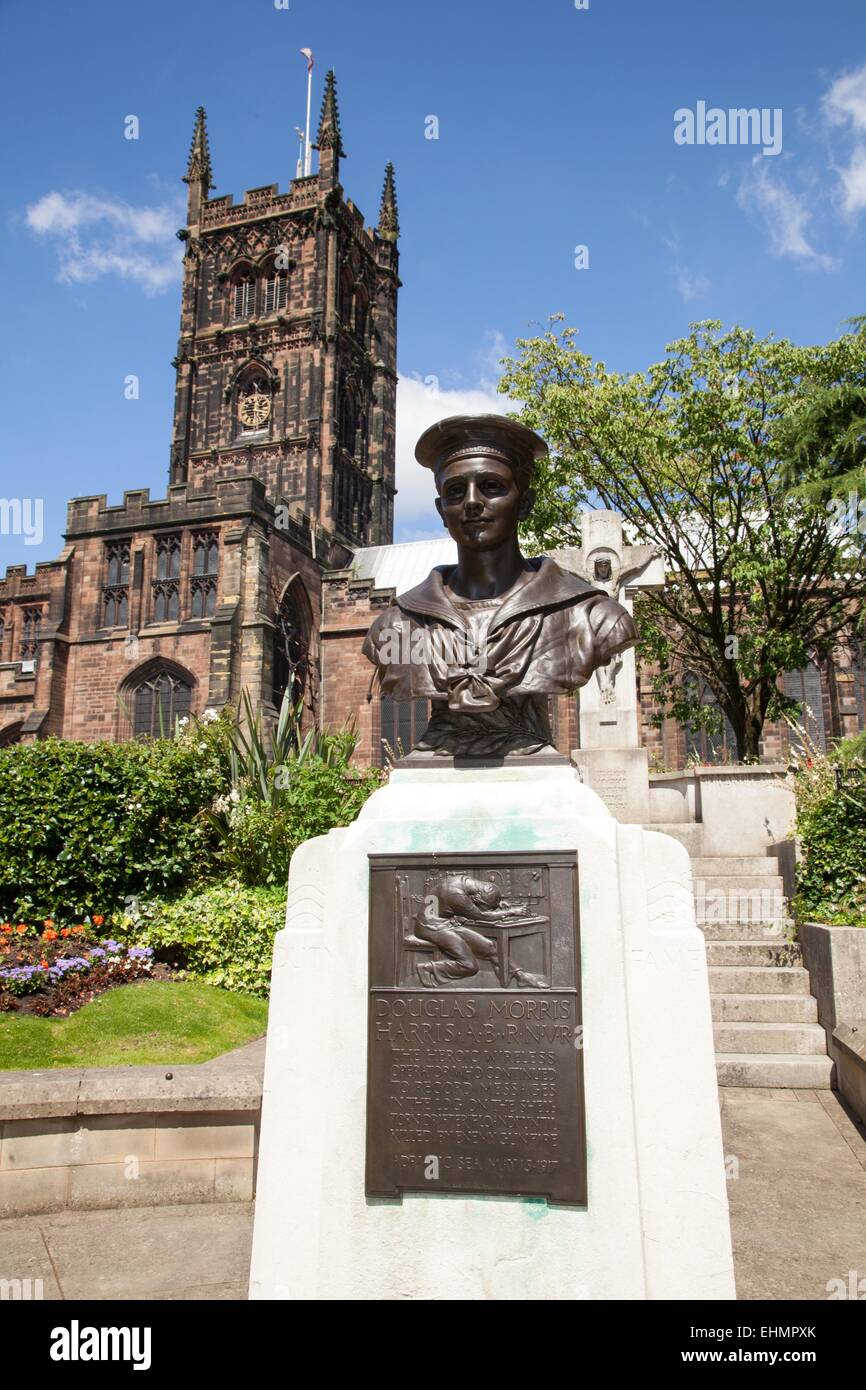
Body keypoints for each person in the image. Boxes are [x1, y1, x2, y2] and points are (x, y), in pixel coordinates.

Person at [362, 414, 638, 758]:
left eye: (491, 486)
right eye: (455, 492)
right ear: (441, 510)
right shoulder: (397, 626)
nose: (472, 502)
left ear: (525, 503)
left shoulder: (591, 616)